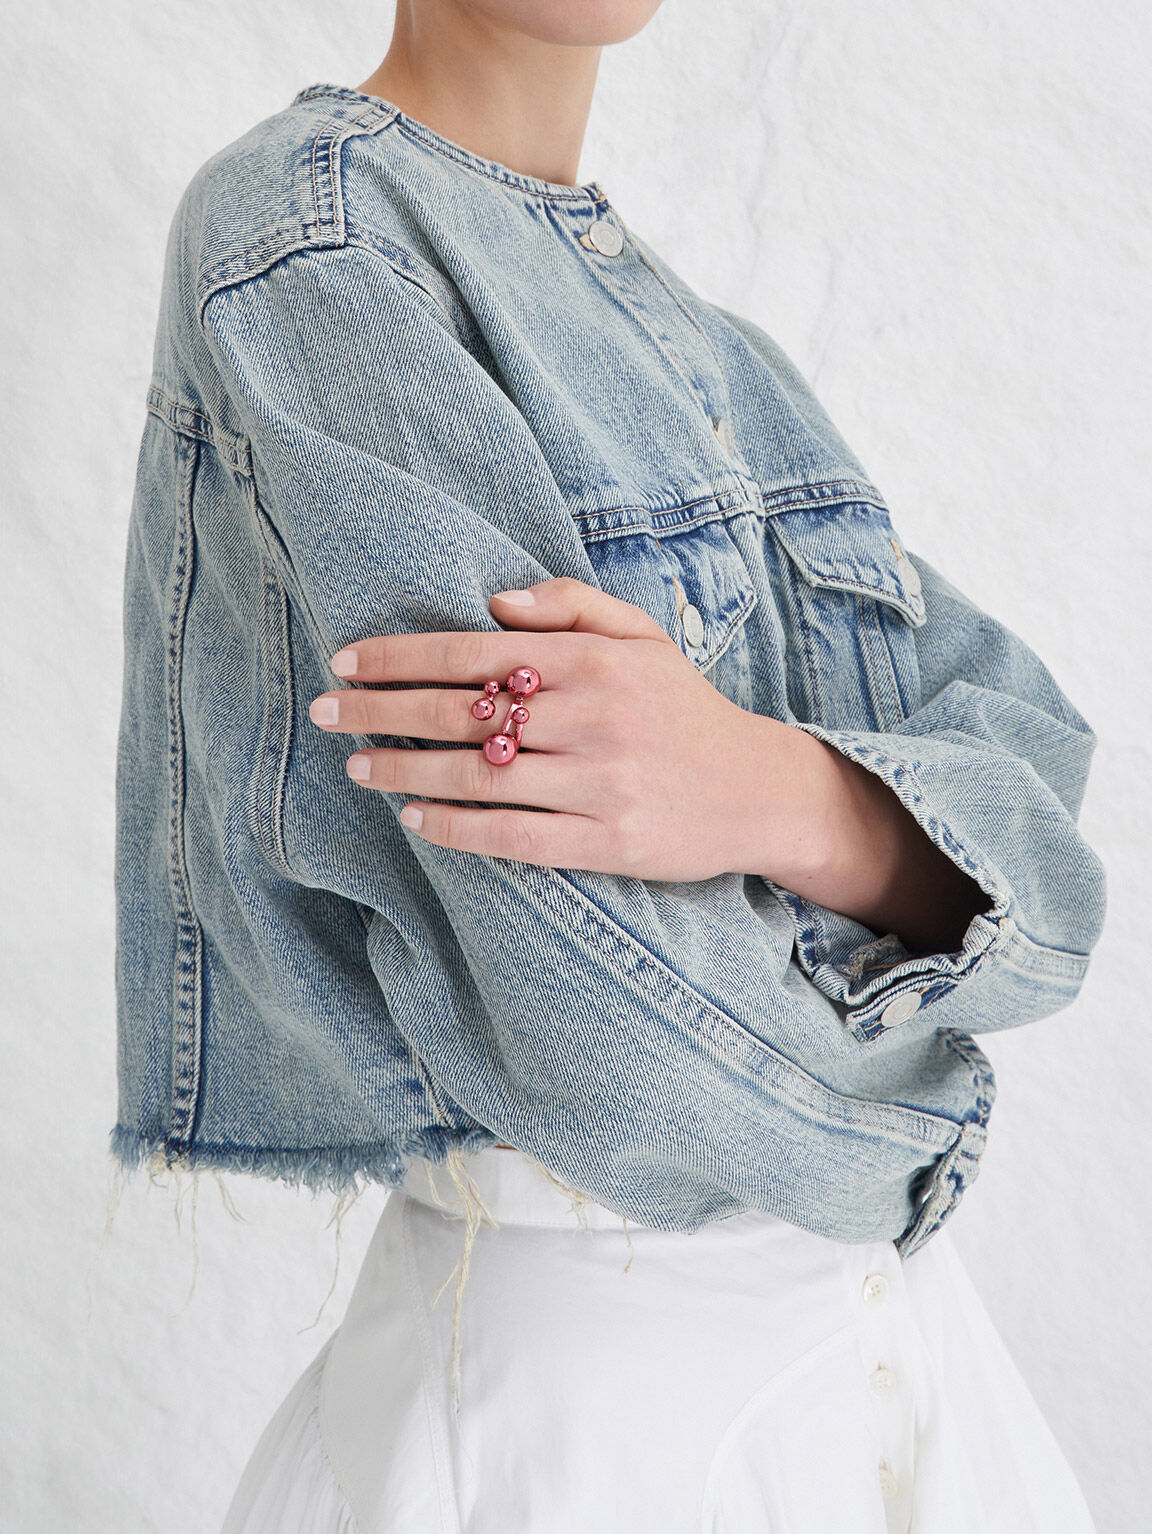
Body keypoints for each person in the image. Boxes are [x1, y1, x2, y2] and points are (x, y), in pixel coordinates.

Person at [112, 1, 1106, 1529]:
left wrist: (768, 785)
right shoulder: (307, 232)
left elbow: (1049, 851)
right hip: (583, 1408)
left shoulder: (725, 363)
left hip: (898, 1374)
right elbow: (601, 1031)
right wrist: (924, 1115)